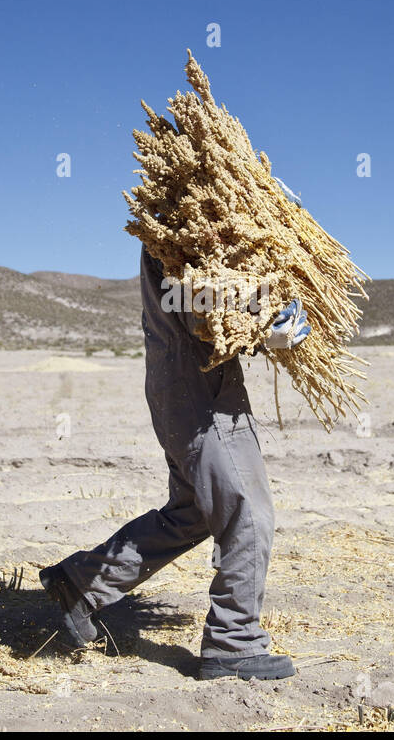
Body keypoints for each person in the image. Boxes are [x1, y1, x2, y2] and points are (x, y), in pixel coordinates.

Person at [38, 219, 309, 680]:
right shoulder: (183, 223)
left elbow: (208, 296)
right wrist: (262, 326)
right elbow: (201, 306)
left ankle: (80, 583)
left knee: (195, 511)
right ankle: (234, 644)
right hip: (198, 392)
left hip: (187, 385)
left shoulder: (179, 219)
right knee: (247, 509)